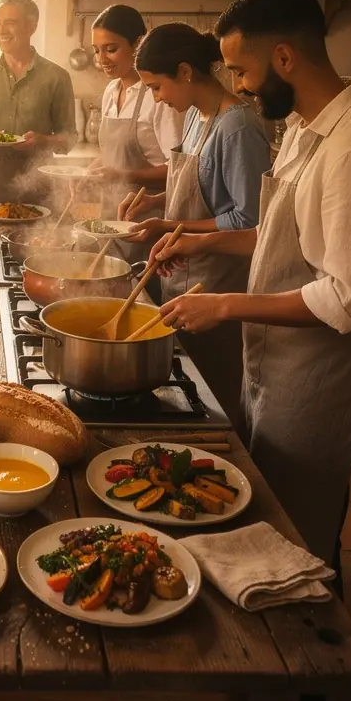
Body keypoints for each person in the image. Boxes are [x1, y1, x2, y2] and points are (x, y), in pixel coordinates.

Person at [153, 0, 351, 576]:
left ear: (284, 58)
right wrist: (203, 241)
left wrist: (226, 305)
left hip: (323, 378)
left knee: (304, 541)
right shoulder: (302, 128)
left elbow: (348, 297)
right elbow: (278, 236)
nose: (240, 86)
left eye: (242, 70)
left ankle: (324, 634)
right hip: (279, 366)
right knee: (275, 524)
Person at [119, 22, 271, 427]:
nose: (156, 97)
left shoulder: (238, 127)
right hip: (183, 272)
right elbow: (197, 187)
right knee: (189, 386)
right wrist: (156, 202)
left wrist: (170, 225)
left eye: (156, 87)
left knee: (214, 397)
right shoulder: (194, 115)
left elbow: (249, 219)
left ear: (185, 72)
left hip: (219, 282)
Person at [86, 6, 184, 259]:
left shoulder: (158, 95)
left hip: (149, 219)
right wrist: (87, 174)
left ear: (137, 44)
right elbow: (110, 152)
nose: (101, 59)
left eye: (111, 49)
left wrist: (125, 175)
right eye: (96, 50)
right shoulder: (111, 91)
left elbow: (178, 170)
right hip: (112, 214)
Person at [0, 0, 77, 208]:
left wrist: (42, 140)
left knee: (41, 231)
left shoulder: (57, 77)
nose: (1, 31)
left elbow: (69, 138)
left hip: (39, 181)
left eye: (11, 23)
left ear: (31, 27)